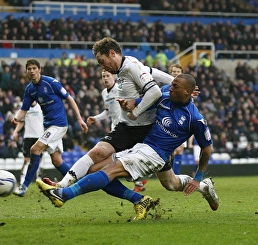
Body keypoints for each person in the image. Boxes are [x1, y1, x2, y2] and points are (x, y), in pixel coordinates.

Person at [37, 74, 219, 220]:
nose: (170, 88)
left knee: (111, 169)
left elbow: (207, 149)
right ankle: (204, 188)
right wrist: (130, 103)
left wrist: (197, 176)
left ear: (187, 92)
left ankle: (64, 194)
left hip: (155, 155)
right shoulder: (164, 95)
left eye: (176, 87)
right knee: (171, 184)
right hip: (143, 145)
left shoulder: (195, 119)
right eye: (171, 85)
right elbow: (143, 99)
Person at [44, 37, 171, 192]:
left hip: (147, 131)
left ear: (112, 53)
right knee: (97, 154)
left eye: (102, 61)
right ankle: (61, 185)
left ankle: (201, 185)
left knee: (171, 184)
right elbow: (152, 71)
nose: (102, 67)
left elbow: (155, 91)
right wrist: (175, 80)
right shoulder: (125, 68)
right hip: (126, 128)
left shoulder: (130, 66)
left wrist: (135, 111)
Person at [11, 58, 88, 197]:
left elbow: (69, 98)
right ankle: (82, 185)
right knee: (57, 161)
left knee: (34, 150)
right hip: (49, 126)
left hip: (59, 124)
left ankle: (23, 187)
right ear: (27, 72)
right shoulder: (29, 89)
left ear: (39, 70)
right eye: (29, 69)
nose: (32, 71)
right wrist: (17, 118)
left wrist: (80, 119)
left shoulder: (51, 83)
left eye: (34, 68)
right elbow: (24, 109)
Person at [86, 69, 148, 192]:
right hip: (114, 127)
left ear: (114, 76)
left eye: (107, 76)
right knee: (114, 156)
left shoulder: (121, 89)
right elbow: (108, 111)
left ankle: (138, 178)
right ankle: (136, 180)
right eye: (103, 76)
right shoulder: (104, 93)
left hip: (125, 127)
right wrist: (96, 118)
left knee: (122, 155)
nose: (105, 78)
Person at [13, 101, 44, 186]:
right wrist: (15, 132)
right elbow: (21, 122)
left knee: (39, 160)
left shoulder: (41, 107)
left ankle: (39, 181)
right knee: (27, 159)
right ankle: (22, 182)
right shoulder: (25, 107)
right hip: (28, 137)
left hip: (40, 137)